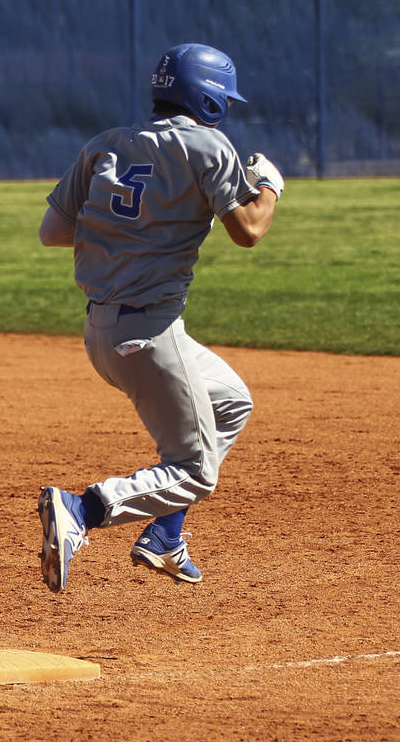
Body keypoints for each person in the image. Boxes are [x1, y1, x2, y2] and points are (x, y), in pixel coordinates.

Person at [35, 44, 283, 590]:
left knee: (232, 402)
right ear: (210, 99)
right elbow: (249, 230)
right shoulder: (209, 145)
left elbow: (52, 233)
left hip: (103, 331)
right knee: (195, 470)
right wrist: (268, 185)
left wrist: (127, 224)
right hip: (149, 335)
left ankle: (165, 535)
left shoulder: (104, 145)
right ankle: (81, 509)